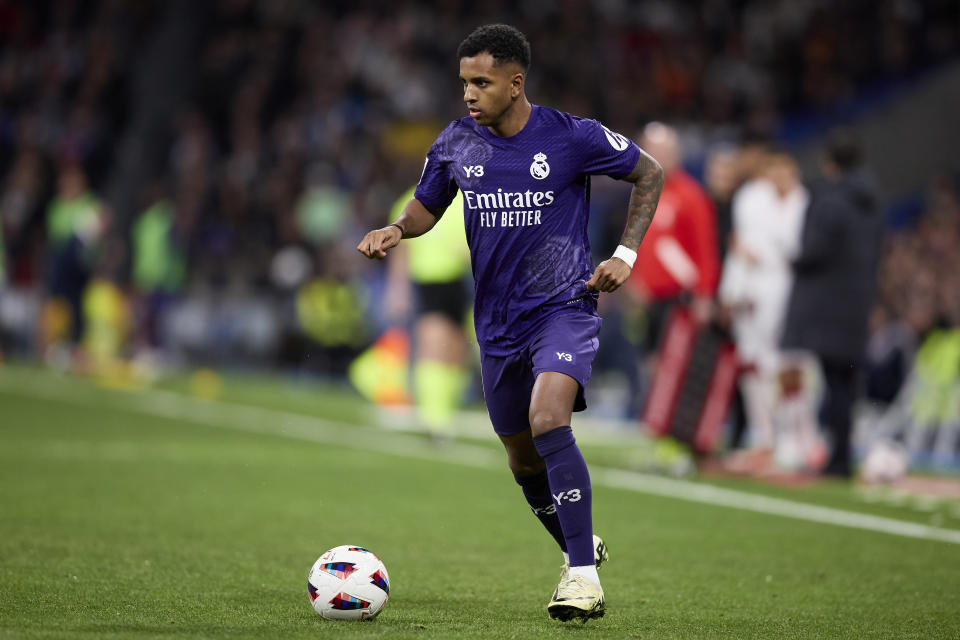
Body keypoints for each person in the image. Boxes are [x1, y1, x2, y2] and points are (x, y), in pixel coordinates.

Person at [357, 24, 663, 622]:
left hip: (564, 307)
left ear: (514, 82)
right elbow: (427, 205)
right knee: (523, 462)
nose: (469, 93)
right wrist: (397, 229)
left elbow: (648, 172)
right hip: (497, 324)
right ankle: (580, 547)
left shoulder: (571, 136)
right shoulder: (456, 142)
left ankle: (581, 578)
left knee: (548, 419)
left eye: (482, 82)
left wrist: (624, 255)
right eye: (464, 82)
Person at [779, 129, 884, 478]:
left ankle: (838, 460)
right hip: (858, 303)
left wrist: (790, 259)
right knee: (847, 384)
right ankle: (842, 453)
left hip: (828, 306)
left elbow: (812, 253)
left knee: (835, 382)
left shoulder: (830, 201)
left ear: (830, 164)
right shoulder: (872, 202)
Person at [384, 187, 472, 439]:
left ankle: (445, 412)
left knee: (457, 348)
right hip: (429, 279)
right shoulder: (409, 199)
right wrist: (397, 288)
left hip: (462, 279)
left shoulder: (469, 198)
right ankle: (432, 418)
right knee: (432, 342)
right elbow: (400, 248)